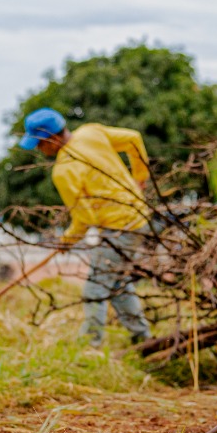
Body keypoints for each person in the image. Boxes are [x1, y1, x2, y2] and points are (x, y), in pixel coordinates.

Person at [19, 108, 153, 346]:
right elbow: (134, 138)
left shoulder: (64, 170)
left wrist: (66, 242)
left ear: (52, 139)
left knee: (95, 289)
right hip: (139, 216)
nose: (40, 151)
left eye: (40, 144)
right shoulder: (91, 133)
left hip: (119, 227)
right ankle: (143, 340)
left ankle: (89, 348)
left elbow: (84, 219)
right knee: (117, 283)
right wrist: (139, 177)